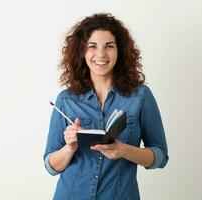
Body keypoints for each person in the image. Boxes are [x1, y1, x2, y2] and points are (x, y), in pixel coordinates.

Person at [43, 13, 169, 200]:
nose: (101, 54)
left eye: (109, 46)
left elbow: (160, 157)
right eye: (92, 46)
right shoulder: (66, 100)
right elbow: (50, 166)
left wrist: (125, 150)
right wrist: (69, 147)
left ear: (120, 51)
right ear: (82, 51)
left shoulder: (140, 96)